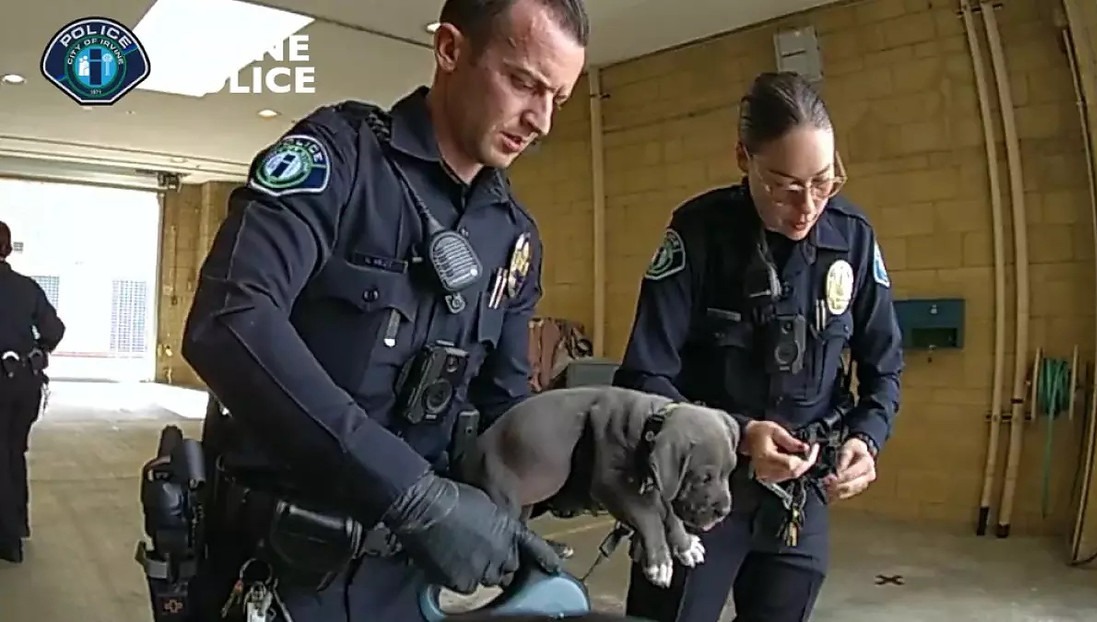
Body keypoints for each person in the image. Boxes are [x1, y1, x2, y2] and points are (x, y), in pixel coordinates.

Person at [174, 0, 589, 620]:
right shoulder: (338, 160)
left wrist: (584, 468)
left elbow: (504, 412)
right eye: (525, 82)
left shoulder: (515, 239)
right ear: (450, 49)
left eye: (557, 96)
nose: (542, 120)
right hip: (277, 572)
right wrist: (410, 493)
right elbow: (229, 319)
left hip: (407, 585)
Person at [612, 71, 904, 622]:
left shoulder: (854, 240)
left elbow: (884, 368)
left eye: (823, 181)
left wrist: (869, 438)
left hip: (801, 500)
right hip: (697, 492)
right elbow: (642, 380)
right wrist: (739, 436)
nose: (807, 205)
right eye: (784, 184)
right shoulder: (698, 234)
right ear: (742, 157)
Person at [0, 220, 65, 563]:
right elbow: (55, 329)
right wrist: (37, 349)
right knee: (14, 453)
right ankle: (17, 528)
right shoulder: (27, 288)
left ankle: (7, 537)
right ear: (8, 250)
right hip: (24, 383)